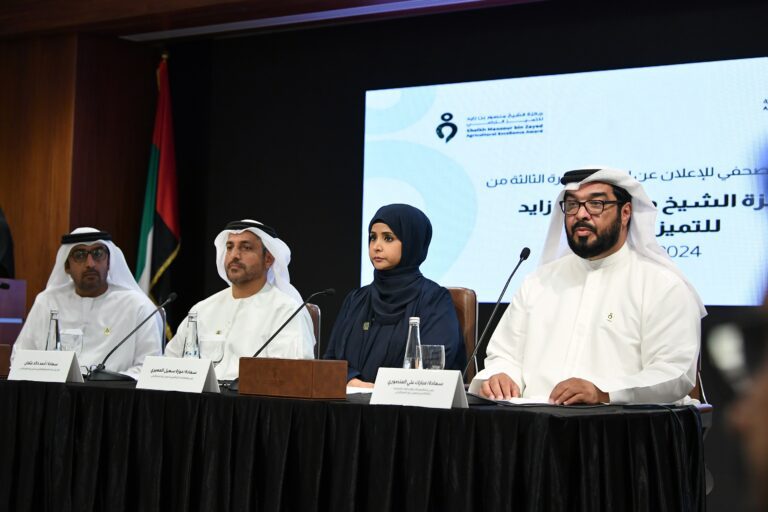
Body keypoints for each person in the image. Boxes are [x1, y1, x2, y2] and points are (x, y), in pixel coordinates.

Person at [470, 168, 706, 404]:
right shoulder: (538, 282)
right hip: (534, 420)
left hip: (621, 422)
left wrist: (604, 393)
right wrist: (501, 376)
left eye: (596, 204)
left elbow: (674, 372)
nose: (581, 214)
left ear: (625, 213)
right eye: (572, 205)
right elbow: (505, 355)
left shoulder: (661, 285)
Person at [324, 203, 465, 387]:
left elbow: (432, 370)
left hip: (408, 403)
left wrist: (381, 389)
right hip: (350, 401)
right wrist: (352, 381)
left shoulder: (434, 300)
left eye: (388, 238)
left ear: (412, 242)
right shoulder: (356, 299)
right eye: (373, 238)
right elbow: (331, 360)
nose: (376, 246)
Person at [164, 219, 315, 381]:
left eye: (246, 247)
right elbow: (169, 363)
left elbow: (294, 376)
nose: (234, 255)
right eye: (230, 247)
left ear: (268, 259)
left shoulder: (287, 311)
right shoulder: (202, 310)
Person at [13, 227, 162, 378]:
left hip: (113, 391)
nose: (90, 263)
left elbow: (149, 369)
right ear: (67, 266)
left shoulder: (137, 306)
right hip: (56, 390)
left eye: (98, 254)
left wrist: (106, 382)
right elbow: (20, 358)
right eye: (80, 255)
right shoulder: (48, 301)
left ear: (109, 262)